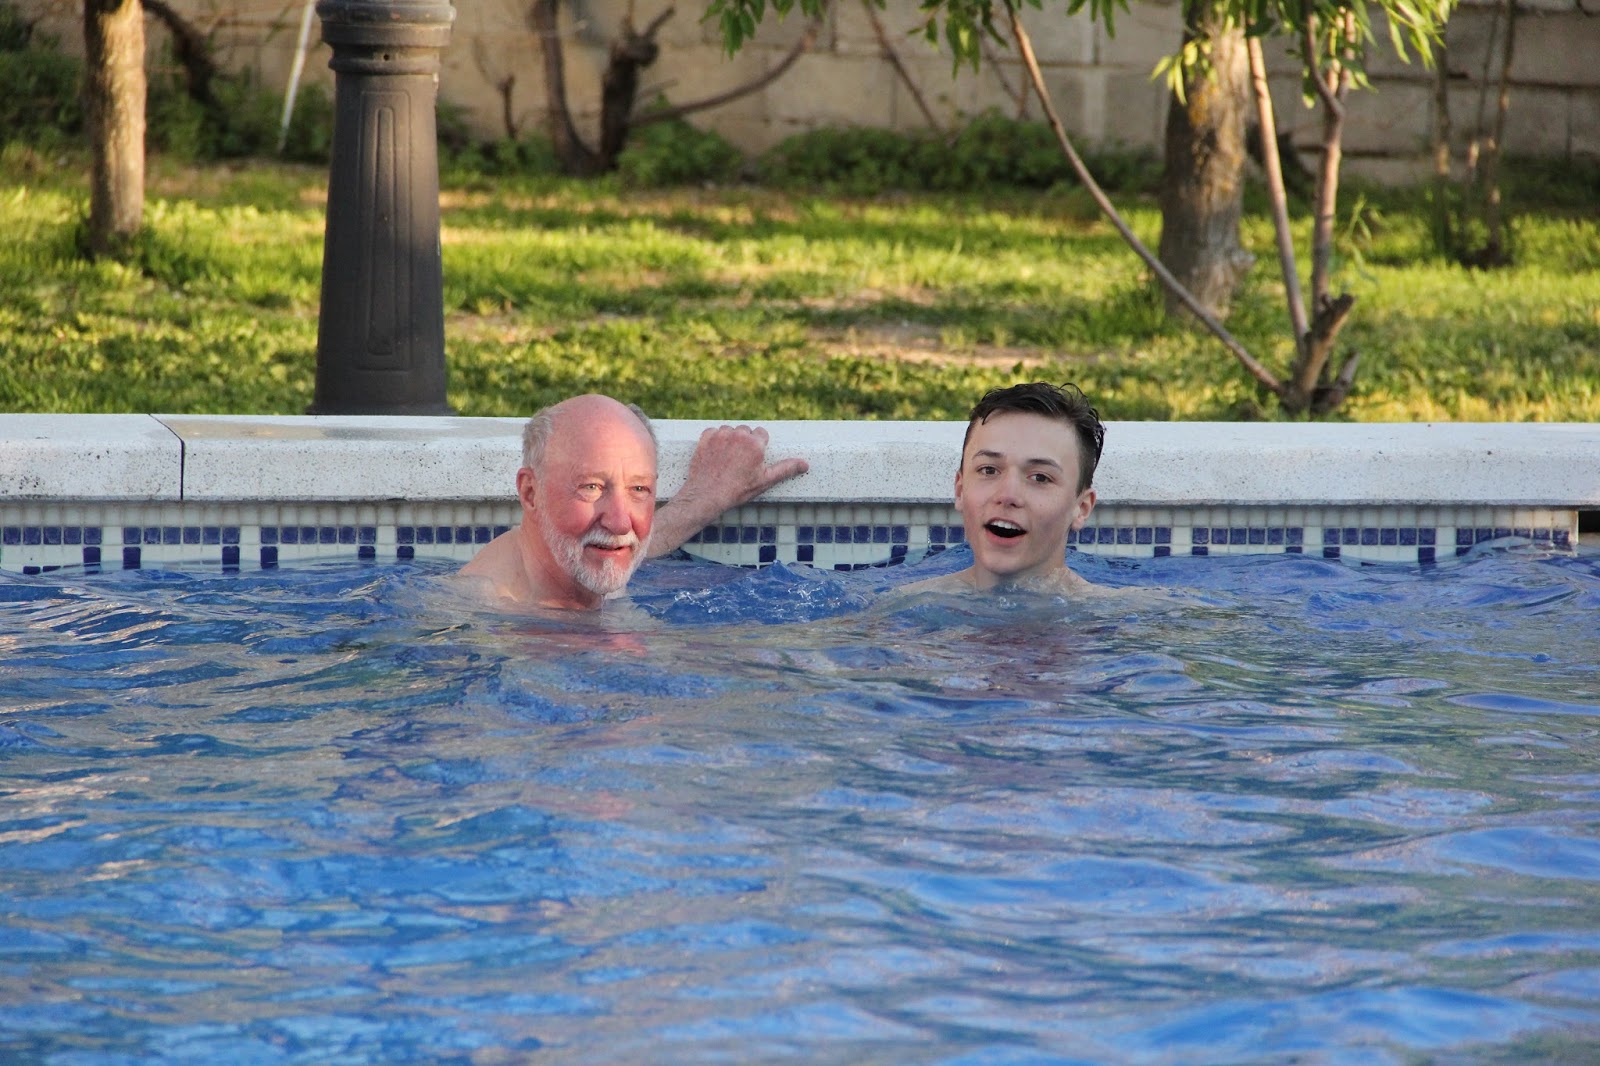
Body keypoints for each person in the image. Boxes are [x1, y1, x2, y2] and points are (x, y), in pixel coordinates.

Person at [456, 394, 809, 611]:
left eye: (638, 489)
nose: (621, 522)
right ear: (531, 492)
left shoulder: (579, 564)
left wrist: (709, 494)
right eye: (591, 488)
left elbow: (635, 542)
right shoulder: (484, 615)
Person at [897, 381, 1104, 596]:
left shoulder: (1115, 613)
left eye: (1040, 478)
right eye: (989, 470)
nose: (1007, 495)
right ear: (960, 490)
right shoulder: (904, 606)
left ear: (1081, 508)